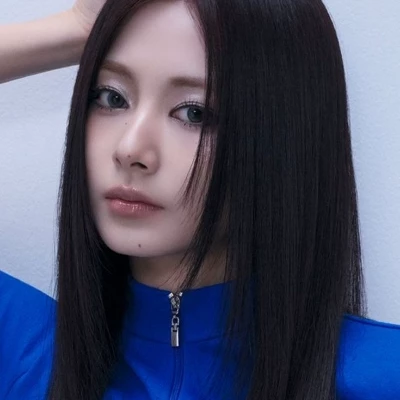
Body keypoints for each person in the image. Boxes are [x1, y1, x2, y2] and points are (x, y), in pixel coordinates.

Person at [0, 0, 399, 399]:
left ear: (283, 140)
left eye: (194, 113)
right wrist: (75, 29)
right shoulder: (28, 355)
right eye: (112, 97)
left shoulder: (380, 378)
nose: (130, 148)